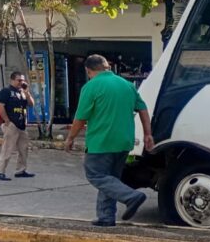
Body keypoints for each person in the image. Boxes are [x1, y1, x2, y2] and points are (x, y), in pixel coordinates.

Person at [64, 55, 155, 227]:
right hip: (124, 142)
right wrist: (147, 134)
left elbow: (81, 118)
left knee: (96, 175)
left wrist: (70, 138)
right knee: (110, 179)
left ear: (88, 71)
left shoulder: (91, 86)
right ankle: (106, 217)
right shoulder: (127, 85)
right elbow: (142, 109)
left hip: (101, 142)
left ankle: (131, 196)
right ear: (108, 67)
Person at [0, 72, 35, 180]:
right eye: (19, 80)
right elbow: (0, 106)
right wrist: (7, 120)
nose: (21, 82)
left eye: (23, 80)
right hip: (11, 124)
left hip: (22, 125)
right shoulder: (6, 91)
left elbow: (31, 104)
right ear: (12, 80)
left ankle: (21, 170)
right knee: (8, 149)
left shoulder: (22, 92)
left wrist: (27, 92)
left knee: (23, 149)